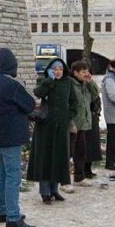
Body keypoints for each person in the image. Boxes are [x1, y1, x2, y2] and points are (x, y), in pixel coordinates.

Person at [0, 48, 37, 227]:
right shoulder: (11, 84)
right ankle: (13, 218)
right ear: (11, 65)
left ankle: (2, 211)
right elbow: (30, 104)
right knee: (13, 176)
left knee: (2, 175)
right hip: (12, 136)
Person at [27, 59, 78, 204]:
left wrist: (68, 116)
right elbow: (38, 93)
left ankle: (54, 189)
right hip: (45, 126)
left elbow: (74, 102)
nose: (58, 71)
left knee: (59, 157)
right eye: (55, 69)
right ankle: (44, 191)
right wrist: (49, 80)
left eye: (60, 69)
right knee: (45, 158)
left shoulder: (68, 82)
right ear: (50, 69)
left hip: (61, 126)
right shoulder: (44, 80)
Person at [69, 60, 94, 186]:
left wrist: (90, 83)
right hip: (72, 125)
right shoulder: (70, 86)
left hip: (82, 124)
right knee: (68, 153)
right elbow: (67, 106)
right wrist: (70, 123)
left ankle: (79, 177)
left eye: (87, 71)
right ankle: (63, 181)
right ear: (75, 73)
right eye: (83, 71)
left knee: (81, 152)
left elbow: (94, 96)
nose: (86, 74)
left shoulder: (84, 85)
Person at [83, 70, 103, 179]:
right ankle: (83, 170)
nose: (87, 76)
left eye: (89, 74)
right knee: (85, 146)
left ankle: (88, 169)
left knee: (93, 145)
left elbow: (96, 97)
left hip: (93, 117)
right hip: (84, 119)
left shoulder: (91, 85)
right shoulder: (79, 86)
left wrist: (97, 110)